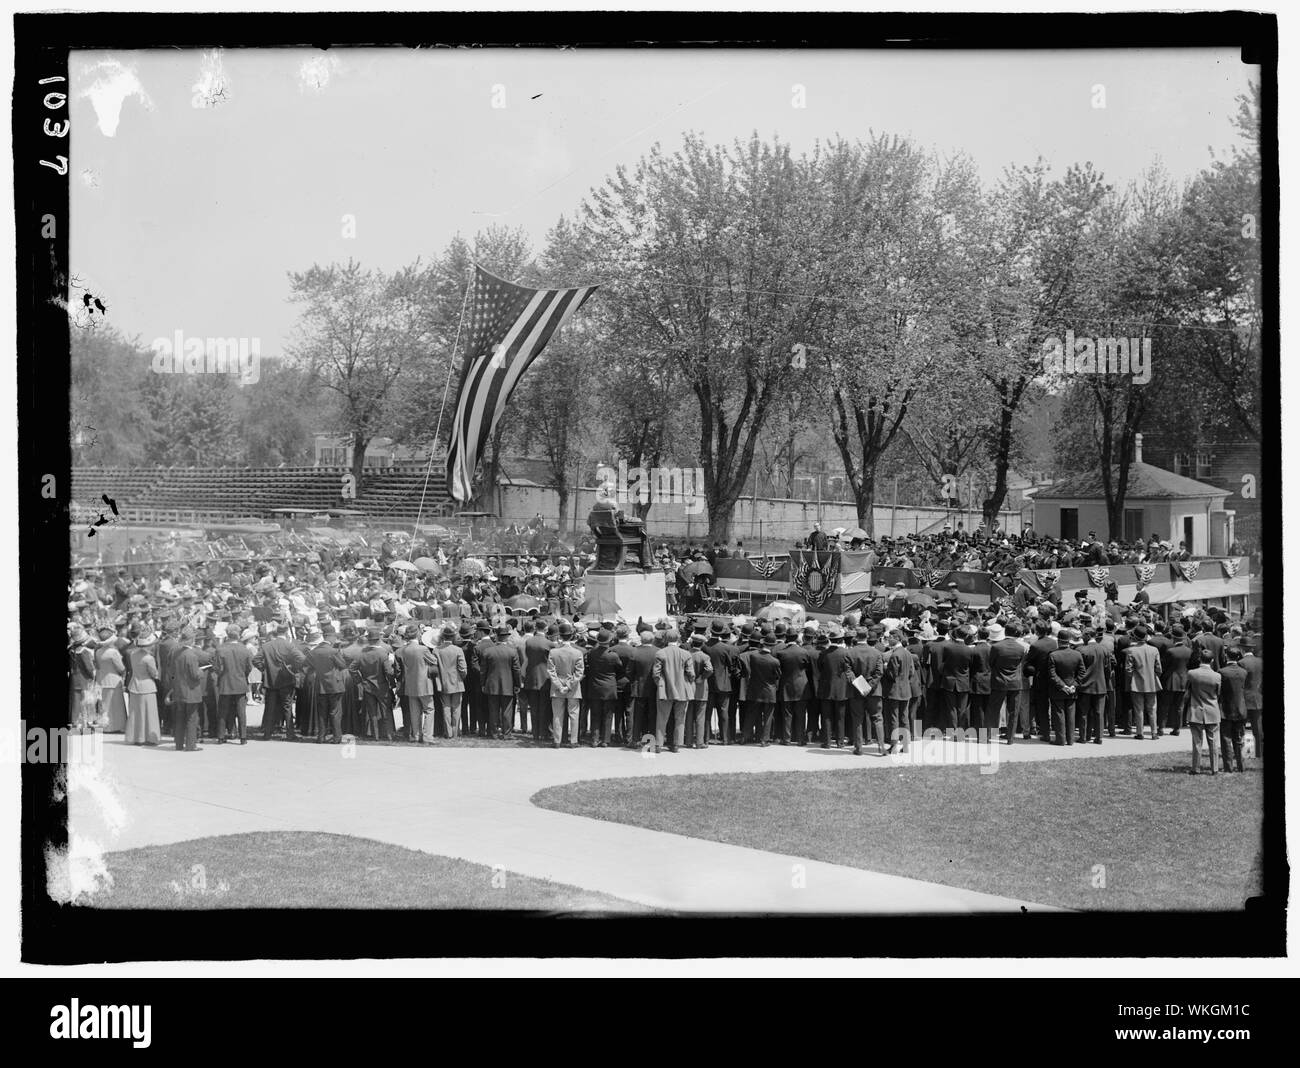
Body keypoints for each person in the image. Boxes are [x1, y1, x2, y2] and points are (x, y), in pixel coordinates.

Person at [256, 623, 306, 741]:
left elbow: (256, 659)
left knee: (270, 708)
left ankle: (267, 733)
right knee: (287, 708)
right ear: (287, 632)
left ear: (276, 632)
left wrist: (264, 669)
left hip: (271, 681)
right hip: (286, 680)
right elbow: (302, 659)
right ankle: (290, 734)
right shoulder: (289, 645)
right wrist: (292, 668)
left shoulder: (267, 646)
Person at [652, 628, 695, 753]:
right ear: (678, 638)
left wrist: (660, 684)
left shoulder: (660, 653)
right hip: (682, 689)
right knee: (680, 718)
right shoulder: (686, 654)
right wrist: (688, 682)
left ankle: (659, 745)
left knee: (661, 718)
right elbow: (691, 674)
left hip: (665, 689)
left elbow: (656, 674)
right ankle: (676, 745)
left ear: (665, 639)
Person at [1182, 646, 1221, 775]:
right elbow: (1218, 694)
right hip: (1212, 709)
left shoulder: (1192, 673)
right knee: (1213, 742)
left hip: (1196, 709)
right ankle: (1214, 768)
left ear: (1200, 659)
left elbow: (1187, 689)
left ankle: (1195, 768)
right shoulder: (1217, 676)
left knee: (1197, 742)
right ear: (1212, 660)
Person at [397, 624, 439, 744]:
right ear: (418, 634)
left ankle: (416, 735)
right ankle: (427, 736)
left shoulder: (403, 650)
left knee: (415, 712)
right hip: (424, 683)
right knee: (429, 710)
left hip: (410, 684)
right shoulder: (423, 649)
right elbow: (434, 660)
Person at [169, 626, 209, 751]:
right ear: (192, 640)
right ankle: (191, 745)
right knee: (192, 718)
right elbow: (195, 675)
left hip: (179, 689)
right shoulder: (191, 655)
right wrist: (202, 671)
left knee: (180, 718)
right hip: (191, 690)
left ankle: (179, 744)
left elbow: (172, 672)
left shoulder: (176, 653)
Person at [309, 628, 350, 744]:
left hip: (320, 684)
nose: (335, 639)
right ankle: (337, 737)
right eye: (334, 637)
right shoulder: (333, 651)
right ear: (330, 637)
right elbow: (342, 665)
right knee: (335, 712)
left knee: (322, 712)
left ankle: (321, 737)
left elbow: (309, 665)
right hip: (334, 685)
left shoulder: (314, 651)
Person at [584, 629, 625, 747]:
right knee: (608, 714)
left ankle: (594, 739)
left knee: (595, 714)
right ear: (610, 640)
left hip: (595, 686)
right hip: (609, 687)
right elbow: (620, 669)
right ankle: (606, 740)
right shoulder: (613, 655)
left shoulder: (591, 653)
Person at [546, 622, 584, 748]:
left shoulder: (553, 652)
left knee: (557, 714)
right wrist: (569, 686)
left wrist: (559, 686)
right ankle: (573, 741)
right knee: (574, 715)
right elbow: (579, 673)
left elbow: (551, 671)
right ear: (572, 635)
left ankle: (557, 741)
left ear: (559, 636)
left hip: (557, 688)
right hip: (573, 688)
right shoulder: (578, 653)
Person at [213, 625, 253, 744]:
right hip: (240, 682)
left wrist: (222, 675)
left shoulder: (220, 649)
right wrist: (242, 674)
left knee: (223, 711)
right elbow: (249, 667)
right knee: (241, 711)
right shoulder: (244, 649)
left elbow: (217, 668)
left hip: (225, 683)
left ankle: (220, 736)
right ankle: (243, 737)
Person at [1047, 628, 1085, 746]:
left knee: (1059, 715)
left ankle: (1060, 739)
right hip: (1072, 689)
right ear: (1069, 641)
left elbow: (1052, 674)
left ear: (1058, 641)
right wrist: (1073, 685)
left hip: (1058, 689)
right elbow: (1082, 672)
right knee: (1070, 715)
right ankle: (1070, 739)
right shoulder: (1077, 654)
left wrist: (1063, 686)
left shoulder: (1053, 655)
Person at [124, 627, 162, 746]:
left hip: (134, 685)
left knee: (136, 713)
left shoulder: (133, 654)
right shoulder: (149, 658)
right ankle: (150, 737)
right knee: (149, 714)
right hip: (147, 686)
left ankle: (136, 737)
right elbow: (154, 673)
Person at [1123, 626, 1163, 740]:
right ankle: (1154, 733)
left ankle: (1140, 733)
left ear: (1135, 636)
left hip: (1137, 682)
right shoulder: (1154, 650)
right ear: (1146, 636)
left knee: (1138, 709)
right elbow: (1159, 668)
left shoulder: (1131, 650)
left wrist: (1134, 677)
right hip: (1151, 682)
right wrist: (1153, 676)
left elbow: (1128, 669)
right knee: (1152, 709)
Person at [742, 634, 782, 747]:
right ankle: (764, 739)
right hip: (769, 691)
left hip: (755, 689)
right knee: (768, 716)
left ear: (763, 643)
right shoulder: (775, 661)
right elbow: (778, 676)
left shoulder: (754, 657)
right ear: (773, 646)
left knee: (751, 714)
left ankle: (745, 736)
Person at [1217, 647, 1248, 773]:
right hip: (1241, 708)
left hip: (1225, 709)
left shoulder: (1222, 672)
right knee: (1239, 738)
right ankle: (1241, 766)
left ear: (1226, 656)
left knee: (1226, 739)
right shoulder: (1243, 672)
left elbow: (1219, 691)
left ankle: (1228, 767)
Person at [94, 623, 128, 733]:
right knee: (116, 706)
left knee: (105, 706)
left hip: (102, 679)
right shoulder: (113, 652)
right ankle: (117, 726)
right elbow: (121, 667)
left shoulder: (98, 652)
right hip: (114, 679)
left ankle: (106, 726)